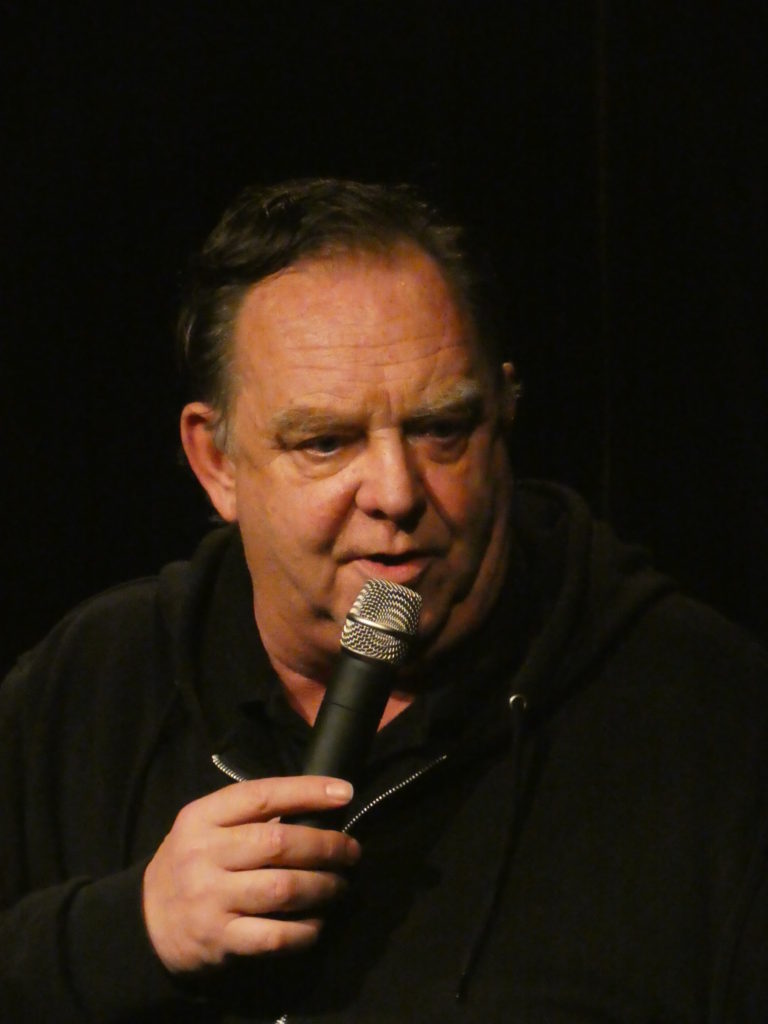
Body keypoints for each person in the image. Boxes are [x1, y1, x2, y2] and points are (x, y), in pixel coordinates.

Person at [1, 178, 767, 1024]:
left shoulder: (704, 714)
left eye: (442, 430)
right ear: (216, 462)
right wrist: (126, 935)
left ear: (503, 414)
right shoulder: (91, 686)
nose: (397, 493)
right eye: (326, 442)